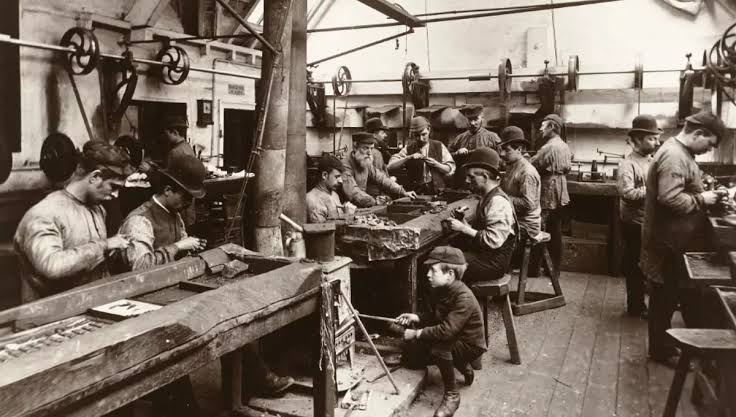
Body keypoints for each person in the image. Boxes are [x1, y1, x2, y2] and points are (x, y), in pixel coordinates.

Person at [641, 110, 727, 367]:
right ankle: (660, 350)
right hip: (668, 242)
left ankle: (674, 345)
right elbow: (669, 198)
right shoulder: (674, 156)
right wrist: (703, 199)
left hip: (675, 240)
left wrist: (707, 193)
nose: (708, 150)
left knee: (671, 295)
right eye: (709, 144)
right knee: (664, 298)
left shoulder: (682, 153)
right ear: (698, 133)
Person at [14, 141, 134, 302]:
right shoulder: (44, 213)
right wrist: (104, 245)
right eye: (113, 186)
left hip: (91, 305)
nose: (115, 195)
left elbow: (94, 267)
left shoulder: (98, 209)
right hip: (52, 313)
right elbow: (52, 266)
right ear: (95, 177)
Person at [396, 246, 486, 417]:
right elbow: (436, 316)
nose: (428, 274)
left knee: (438, 349)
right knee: (412, 358)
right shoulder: (443, 289)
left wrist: (416, 333)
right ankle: (462, 365)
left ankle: (452, 395)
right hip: (454, 337)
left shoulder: (464, 297)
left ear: (450, 274)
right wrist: (416, 317)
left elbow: (446, 330)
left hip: (469, 344)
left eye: (433, 270)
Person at [114, 154, 209, 272]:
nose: (189, 203)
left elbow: (177, 254)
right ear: (167, 190)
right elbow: (140, 267)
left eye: (191, 199)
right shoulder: (139, 221)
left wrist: (190, 246)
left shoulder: (175, 214)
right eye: (186, 197)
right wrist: (178, 246)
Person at [445, 148, 517, 284]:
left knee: (442, 265)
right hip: (486, 256)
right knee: (444, 254)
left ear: (485, 177)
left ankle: (459, 296)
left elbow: (493, 241)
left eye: (471, 177)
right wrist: (464, 222)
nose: (467, 180)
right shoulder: (486, 196)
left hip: (493, 263)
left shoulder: (498, 201)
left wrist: (463, 229)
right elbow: (483, 231)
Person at [617, 115, 661, 319]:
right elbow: (627, 193)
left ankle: (649, 302)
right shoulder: (627, 165)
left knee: (649, 263)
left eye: (657, 138)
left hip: (650, 222)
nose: (656, 143)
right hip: (634, 224)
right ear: (637, 140)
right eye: (651, 139)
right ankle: (635, 306)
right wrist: (653, 190)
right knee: (635, 265)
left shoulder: (653, 161)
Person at [529, 114, 572, 275]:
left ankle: (534, 269)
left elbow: (532, 165)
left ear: (552, 127)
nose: (541, 129)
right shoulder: (564, 146)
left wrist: (524, 158)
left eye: (543, 125)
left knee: (539, 227)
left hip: (548, 189)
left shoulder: (549, 147)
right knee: (555, 230)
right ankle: (554, 269)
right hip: (560, 189)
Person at [341, 131, 416, 207]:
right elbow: (353, 191)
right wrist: (374, 201)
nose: (369, 153)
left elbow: (382, 179)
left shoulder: (364, 162)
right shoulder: (345, 165)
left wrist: (402, 191)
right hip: (347, 207)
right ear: (355, 147)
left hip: (361, 204)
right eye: (365, 148)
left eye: (371, 148)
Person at [387, 116, 455, 195]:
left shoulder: (439, 146)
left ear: (429, 130)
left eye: (424, 134)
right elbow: (390, 166)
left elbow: (449, 169)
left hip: (438, 191)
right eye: (417, 136)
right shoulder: (409, 148)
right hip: (416, 192)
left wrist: (436, 164)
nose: (421, 139)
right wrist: (408, 157)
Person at [499, 126, 542, 241]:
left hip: (526, 225)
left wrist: (501, 198)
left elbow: (528, 204)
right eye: (501, 149)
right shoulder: (511, 165)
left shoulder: (527, 172)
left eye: (507, 150)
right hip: (514, 218)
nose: (502, 154)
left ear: (519, 149)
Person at [448, 104, 501, 188]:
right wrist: (457, 153)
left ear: (482, 117)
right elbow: (447, 159)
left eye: (476, 119)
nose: (472, 123)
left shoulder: (493, 138)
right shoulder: (459, 138)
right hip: (463, 183)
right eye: (469, 119)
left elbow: (501, 160)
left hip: (485, 183)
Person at [306, 154, 356, 223]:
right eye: (337, 177)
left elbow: (337, 221)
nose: (341, 181)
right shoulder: (313, 200)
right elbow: (321, 228)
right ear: (324, 175)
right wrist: (348, 216)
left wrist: (345, 212)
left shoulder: (334, 194)